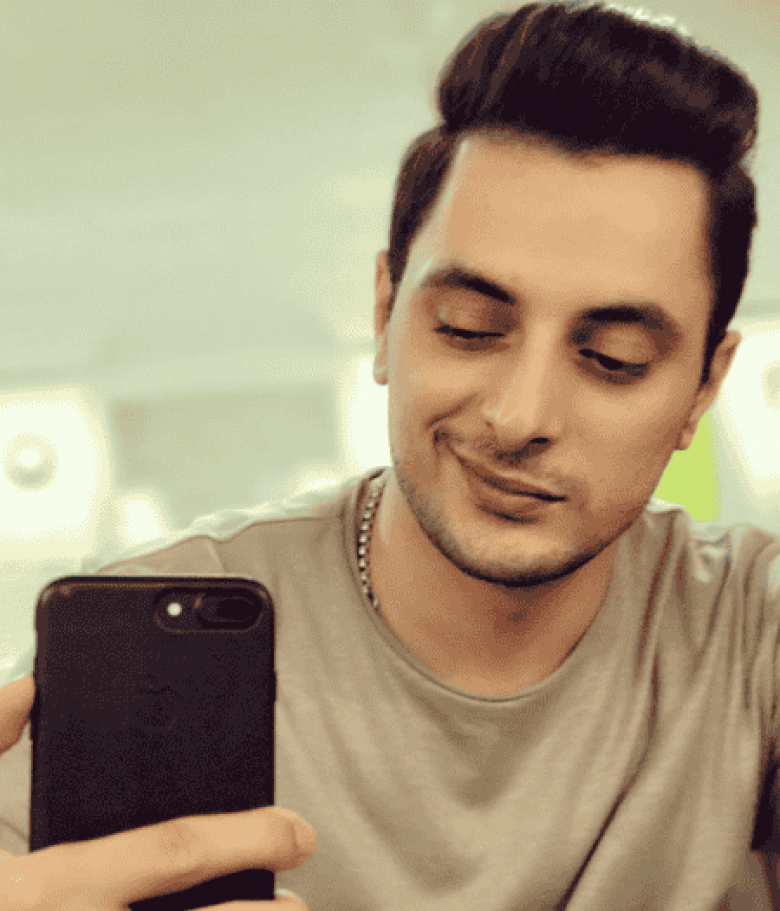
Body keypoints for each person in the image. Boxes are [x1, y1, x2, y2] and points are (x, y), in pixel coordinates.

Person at [0, 0, 771, 908]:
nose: (519, 416)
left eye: (612, 359)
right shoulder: (134, 652)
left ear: (703, 388)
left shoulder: (747, 632)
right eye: (469, 327)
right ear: (384, 314)